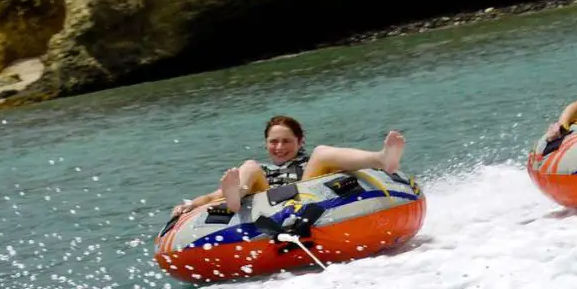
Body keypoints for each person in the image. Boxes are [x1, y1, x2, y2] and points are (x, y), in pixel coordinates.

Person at [173, 115, 406, 216]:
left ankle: (381, 158)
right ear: (266, 144)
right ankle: (238, 196)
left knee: (322, 152)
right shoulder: (260, 169)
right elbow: (213, 196)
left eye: (286, 141)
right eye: (273, 141)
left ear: (299, 141)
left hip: (306, 193)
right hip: (264, 199)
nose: (280, 147)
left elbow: (346, 174)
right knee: (250, 166)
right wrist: (190, 205)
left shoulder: (310, 162)